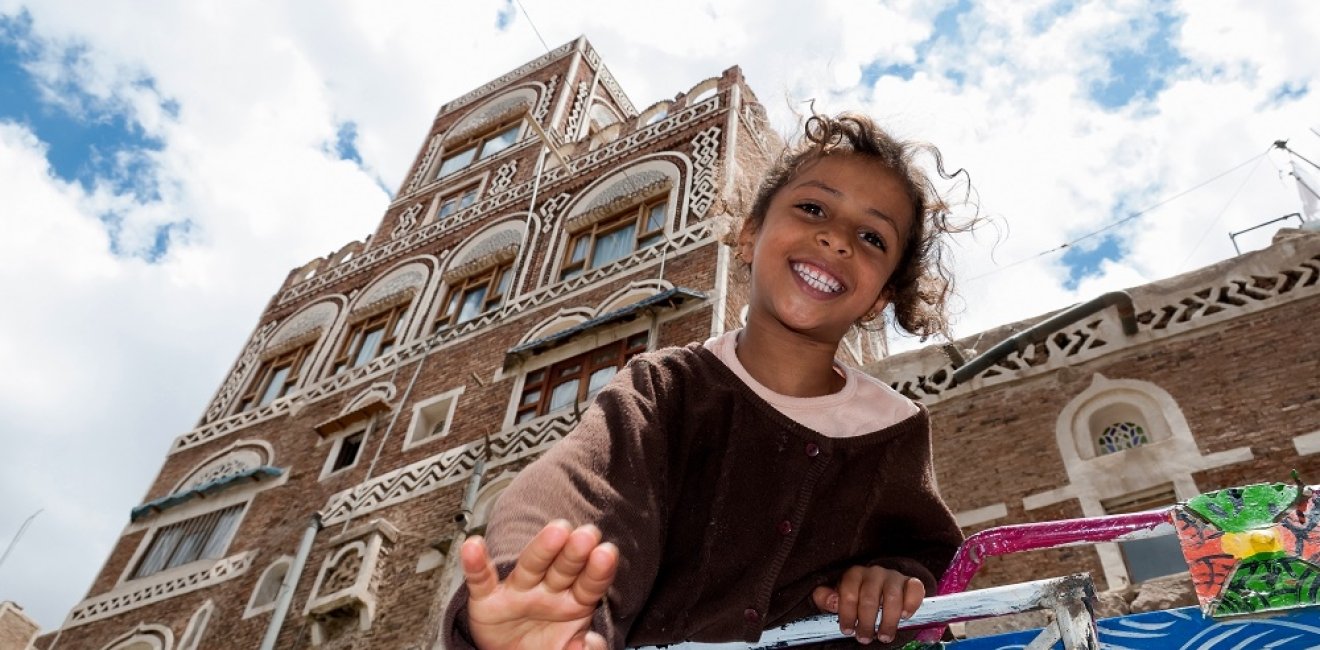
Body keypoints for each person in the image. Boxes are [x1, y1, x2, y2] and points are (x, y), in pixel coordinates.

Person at [443, 113, 971, 650]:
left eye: (871, 237)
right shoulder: (663, 389)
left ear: (882, 296)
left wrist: (898, 576)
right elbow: (577, 489)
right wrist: (530, 589)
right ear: (748, 235)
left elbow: (933, 556)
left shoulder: (894, 430)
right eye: (813, 208)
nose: (836, 239)